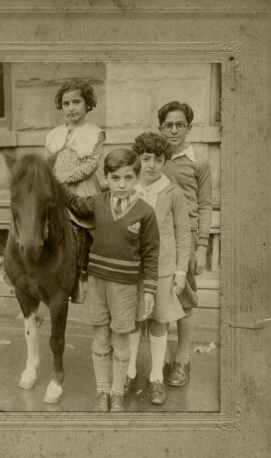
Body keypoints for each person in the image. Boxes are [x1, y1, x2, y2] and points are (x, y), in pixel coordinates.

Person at [63, 148, 160, 412]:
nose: (122, 184)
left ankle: (117, 393)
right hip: (97, 283)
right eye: (115, 178)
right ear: (106, 178)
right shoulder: (97, 203)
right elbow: (71, 201)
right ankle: (102, 391)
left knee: (120, 342)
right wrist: (51, 180)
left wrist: (150, 290)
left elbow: (151, 253)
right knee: (100, 340)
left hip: (125, 287)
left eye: (128, 178)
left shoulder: (145, 212)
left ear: (136, 178)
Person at [124, 132, 190, 405]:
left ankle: (156, 378)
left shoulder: (172, 192)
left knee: (159, 321)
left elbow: (183, 233)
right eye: (146, 158)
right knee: (132, 321)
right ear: (138, 159)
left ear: (165, 161)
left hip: (162, 268)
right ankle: (127, 372)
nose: (151, 165)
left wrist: (180, 271)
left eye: (158, 159)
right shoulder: (128, 187)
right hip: (132, 266)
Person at [158, 101, 212, 387]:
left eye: (180, 125)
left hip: (186, 238)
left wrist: (201, 247)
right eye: (169, 125)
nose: (174, 130)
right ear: (160, 128)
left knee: (184, 297)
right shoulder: (153, 158)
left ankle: (182, 359)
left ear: (189, 128)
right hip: (156, 236)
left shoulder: (199, 162)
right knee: (159, 297)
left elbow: (205, 206)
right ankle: (162, 360)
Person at [45, 79, 105, 228]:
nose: (71, 108)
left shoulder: (95, 133)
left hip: (82, 189)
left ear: (88, 104)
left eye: (76, 102)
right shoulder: (54, 134)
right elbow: (47, 163)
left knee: (85, 225)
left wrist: (65, 178)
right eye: (66, 104)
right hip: (56, 188)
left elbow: (90, 164)